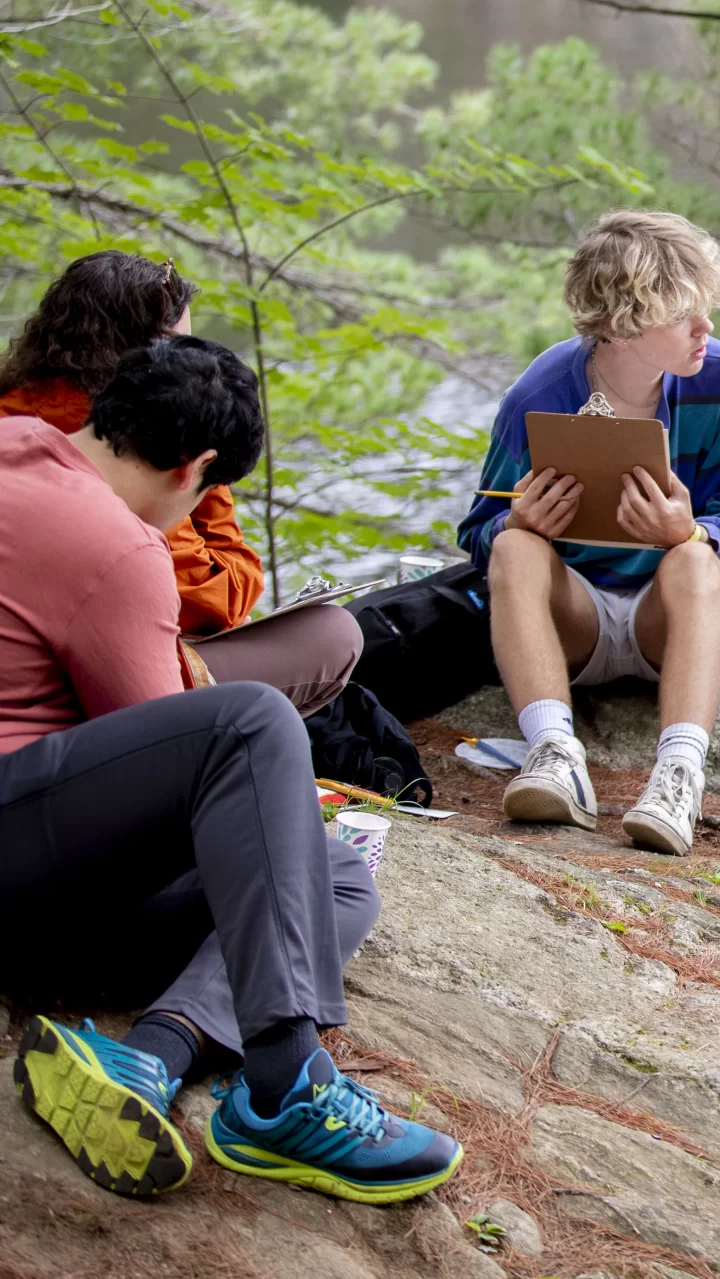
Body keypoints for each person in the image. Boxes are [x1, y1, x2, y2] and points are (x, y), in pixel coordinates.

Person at [3, 335, 461, 1203]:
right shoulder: (118, 546)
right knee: (251, 725)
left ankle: (151, 1056)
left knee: (332, 876)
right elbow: (162, 747)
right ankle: (288, 1080)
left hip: (36, 860)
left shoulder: (13, 447)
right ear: (198, 469)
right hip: (23, 868)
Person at [457, 210, 720, 854]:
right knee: (517, 548)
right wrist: (518, 522)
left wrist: (687, 532)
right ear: (622, 322)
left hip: (676, 620)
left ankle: (679, 774)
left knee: (691, 560)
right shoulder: (540, 394)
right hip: (576, 623)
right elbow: (479, 531)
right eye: (685, 313)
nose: (706, 328)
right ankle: (555, 754)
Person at [0, 250, 363, 715]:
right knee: (333, 635)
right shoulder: (132, 471)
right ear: (141, 357)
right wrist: (199, 453)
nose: (191, 360)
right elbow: (210, 601)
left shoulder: (18, 422)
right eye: (177, 347)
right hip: (74, 700)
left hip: (47, 672)